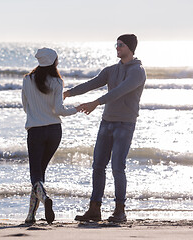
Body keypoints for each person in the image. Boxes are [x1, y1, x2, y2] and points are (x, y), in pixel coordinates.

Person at [64, 34, 146, 222]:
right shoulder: (110, 70)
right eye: (116, 44)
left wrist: (96, 102)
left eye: (121, 45)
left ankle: (120, 211)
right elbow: (91, 84)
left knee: (118, 167)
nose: (117, 47)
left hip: (125, 124)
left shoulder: (138, 71)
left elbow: (120, 91)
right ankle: (94, 209)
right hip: (107, 122)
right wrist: (68, 93)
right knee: (98, 166)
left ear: (130, 48)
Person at [22, 47, 80, 224]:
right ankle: (31, 216)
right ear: (53, 62)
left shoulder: (27, 80)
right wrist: (76, 109)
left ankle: (45, 199)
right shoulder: (57, 82)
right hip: (54, 131)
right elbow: (60, 110)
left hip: (36, 131)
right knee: (40, 173)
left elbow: (26, 106)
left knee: (36, 175)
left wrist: (35, 116)